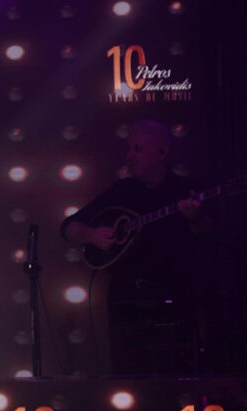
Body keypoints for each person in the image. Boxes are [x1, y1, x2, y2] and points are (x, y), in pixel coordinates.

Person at [60, 119, 212, 375]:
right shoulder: (122, 192)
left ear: (161, 153)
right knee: (128, 378)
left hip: (174, 302)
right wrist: (92, 235)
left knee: (176, 377)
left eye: (138, 149)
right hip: (126, 304)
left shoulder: (186, 190)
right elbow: (68, 228)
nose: (129, 156)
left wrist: (194, 217)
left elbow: (207, 234)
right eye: (129, 148)